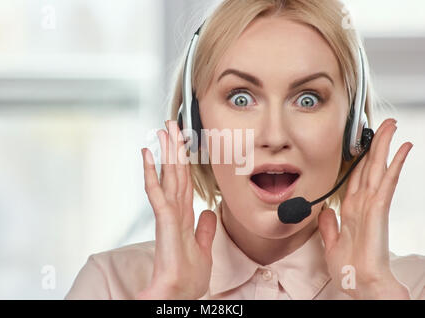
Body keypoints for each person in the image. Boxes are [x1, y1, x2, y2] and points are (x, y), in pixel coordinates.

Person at [65, 0, 425, 300]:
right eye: (241, 98)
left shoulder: (411, 286)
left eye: (308, 99)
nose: (274, 135)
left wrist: (377, 292)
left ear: (353, 131)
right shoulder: (111, 284)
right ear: (195, 126)